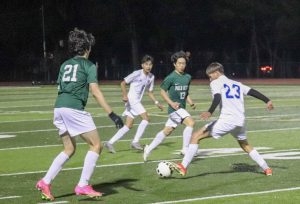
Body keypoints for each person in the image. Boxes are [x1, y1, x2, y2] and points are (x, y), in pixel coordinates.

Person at [35, 28, 124, 201]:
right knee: (96, 145)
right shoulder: (89, 65)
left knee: (69, 149)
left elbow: (60, 88)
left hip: (59, 107)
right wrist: (112, 114)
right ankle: (83, 184)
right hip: (73, 108)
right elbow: (95, 91)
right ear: (87, 48)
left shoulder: (64, 64)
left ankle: (45, 182)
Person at [171, 62, 274, 176]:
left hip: (227, 120)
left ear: (216, 73)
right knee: (245, 144)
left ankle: (183, 166)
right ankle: (266, 168)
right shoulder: (237, 83)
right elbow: (252, 92)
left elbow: (217, 97)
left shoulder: (216, 82)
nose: (210, 79)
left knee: (196, 136)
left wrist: (210, 111)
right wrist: (267, 100)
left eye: (210, 76)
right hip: (240, 121)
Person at [143, 51, 196, 161]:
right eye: (180, 63)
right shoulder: (171, 77)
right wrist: (171, 103)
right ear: (174, 64)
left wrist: (190, 102)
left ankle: (148, 149)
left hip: (181, 109)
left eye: (184, 63)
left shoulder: (188, 77)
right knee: (191, 122)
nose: (182, 65)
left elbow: (185, 92)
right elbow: (162, 91)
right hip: (174, 109)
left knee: (167, 131)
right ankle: (185, 149)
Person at [104, 55, 163, 153]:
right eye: (146, 64)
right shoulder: (137, 73)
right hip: (132, 100)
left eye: (150, 64)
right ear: (142, 65)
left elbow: (150, 92)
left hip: (136, 101)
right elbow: (123, 83)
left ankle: (109, 143)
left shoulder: (151, 77)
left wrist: (156, 102)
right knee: (146, 118)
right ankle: (135, 141)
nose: (148, 66)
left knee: (128, 125)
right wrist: (124, 95)